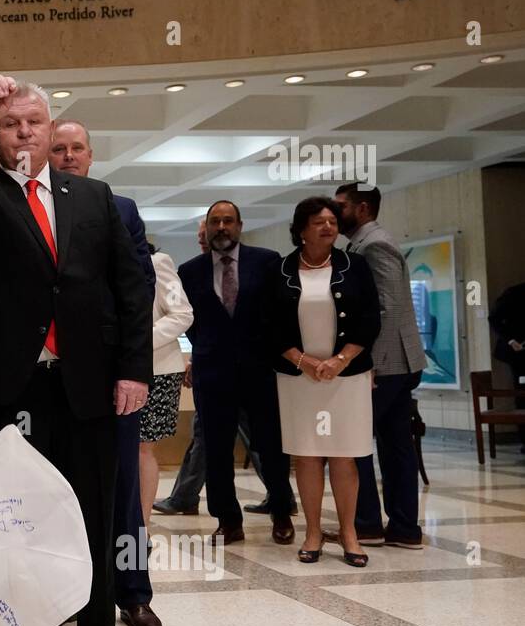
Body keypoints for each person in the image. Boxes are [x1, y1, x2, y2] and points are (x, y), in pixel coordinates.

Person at [0, 76, 151, 626]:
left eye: (33, 121)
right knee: (14, 527)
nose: (24, 131)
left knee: (95, 520)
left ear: (52, 125)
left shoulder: (94, 197)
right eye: (10, 124)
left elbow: (131, 289)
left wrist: (134, 370)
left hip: (87, 387)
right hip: (12, 391)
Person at [48, 118, 160, 626]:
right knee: (58, 496)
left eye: (77, 148)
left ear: (91, 156)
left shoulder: (119, 209)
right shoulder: (32, 208)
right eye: (59, 149)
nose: (68, 156)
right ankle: (67, 595)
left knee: (121, 493)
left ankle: (133, 593)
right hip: (49, 383)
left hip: (108, 379)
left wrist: (133, 370)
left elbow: (137, 289)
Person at [266, 197, 380, 567]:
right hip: (299, 377)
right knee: (307, 455)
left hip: (346, 375)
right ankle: (313, 532)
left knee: (344, 455)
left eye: (332, 221)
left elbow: (369, 319)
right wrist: (304, 361)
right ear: (301, 229)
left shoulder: (355, 266)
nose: (328, 227)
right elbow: (267, 327)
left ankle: (349, 533)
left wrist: (339, 359)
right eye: (318, 222)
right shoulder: (280, 269)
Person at [177, 200, 297, 545]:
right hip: (213, 373)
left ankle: (280, 511)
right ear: (207, 228)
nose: (222, 227)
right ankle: (228, 519)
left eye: (228, 221)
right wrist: (205, 351)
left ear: (240, 225)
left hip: (260, 371)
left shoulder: (267, 262)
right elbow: (189, 321)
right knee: (216, 448)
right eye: (215, 222)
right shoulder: (191, 270)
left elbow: (280, 314)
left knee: (270, 445)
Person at [155, 217, 272, 516]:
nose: (204, 239)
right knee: (207, 434)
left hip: (247, 369)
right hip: (213, 369)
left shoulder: (256, 266)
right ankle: (186, 495)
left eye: (205, 234)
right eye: (201, 234)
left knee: (243, 434)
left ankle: (276, 492)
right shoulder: (194, 272)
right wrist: (199, 355)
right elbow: (196, 321)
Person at [335, 183, 429, 547]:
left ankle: (367, 523)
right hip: (396, 363)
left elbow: (387, 309)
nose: (334, 212)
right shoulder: (364, 242)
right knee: (395, 444)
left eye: (340, 206)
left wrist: (369, 362)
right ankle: (404, 528)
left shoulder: (375, 245)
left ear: (361, 209)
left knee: (355, 441)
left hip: (388, 364)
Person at [139, 243, 193, 523]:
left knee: (142, 447)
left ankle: (141, 525)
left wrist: (140, 341)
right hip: (111, 369)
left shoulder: (157, 261)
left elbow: (182, 313)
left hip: (156, 368)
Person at [489, 281, 525, 451]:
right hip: (517, 352)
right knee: (522, 391)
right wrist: (511, 340)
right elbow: (494, 318)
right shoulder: (514, 293)